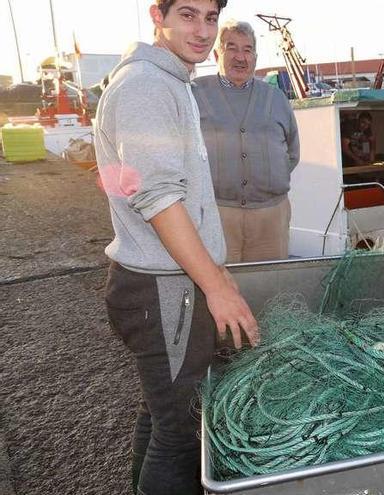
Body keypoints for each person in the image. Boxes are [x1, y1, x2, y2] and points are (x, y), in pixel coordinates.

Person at [93, 1, 259, 494]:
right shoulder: (146, 85)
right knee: (182, 433)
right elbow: (159, 197)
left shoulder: (171, 79)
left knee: (160, 413)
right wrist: (217, 287)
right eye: (188, 15)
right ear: (157, 15)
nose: (203, 31)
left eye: (211, 18)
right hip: (164, 291)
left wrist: (217, 273)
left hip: (163, 285)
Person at [193, 20, 300, 263]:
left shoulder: (276, 97)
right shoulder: (195, 92)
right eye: (232, 48)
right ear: (217, 53)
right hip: (217, 215)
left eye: (247, 49)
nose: (240, 57)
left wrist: (267, 178)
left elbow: (292, 152)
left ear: (255, 56)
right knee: (220, 290)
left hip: (271, 217)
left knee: (269, 289)